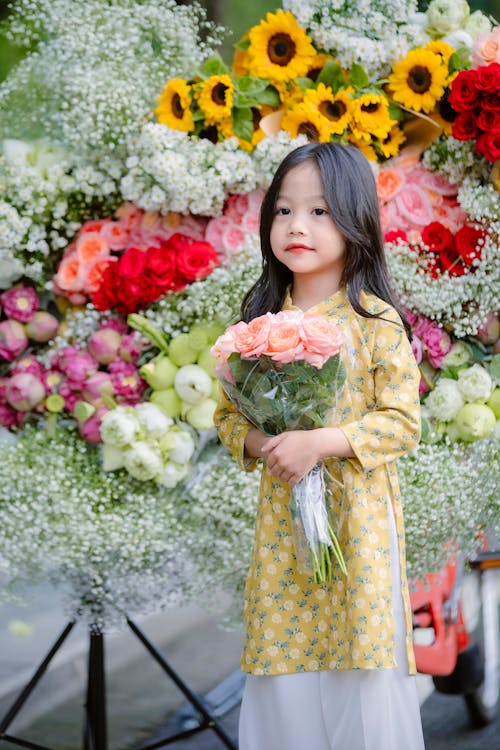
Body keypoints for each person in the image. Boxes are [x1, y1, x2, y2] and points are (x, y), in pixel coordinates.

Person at [213, 142, 425, 750]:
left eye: (320, 211)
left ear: (356, 220)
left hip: (356, 527)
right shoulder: (256, 324)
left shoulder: (375, 321)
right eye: (283, 211)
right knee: (286, 662)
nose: (297, 226)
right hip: (285, 528)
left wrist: (320, 443)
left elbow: (403, 422)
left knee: (358, 660)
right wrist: (260, 440)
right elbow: (227, 416)